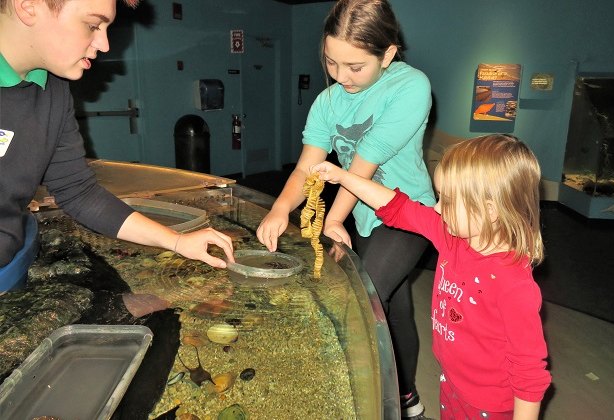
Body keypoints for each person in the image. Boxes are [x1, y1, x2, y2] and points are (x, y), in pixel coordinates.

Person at [256, 0, 435, 417]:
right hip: (366, 217)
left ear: (387, 54)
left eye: (356, 67)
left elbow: (362, 167)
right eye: (332, 63)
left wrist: (333, 218)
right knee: (394, 305)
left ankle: (374, 403)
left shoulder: (411, 87)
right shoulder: (328, 102)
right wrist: (280, 209)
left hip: (407, 211)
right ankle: (409, 397)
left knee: (362, 298)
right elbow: (306, 167)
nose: (341, 77)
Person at [311, 134, 552, 419]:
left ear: (490, 210)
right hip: (451, 385)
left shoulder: (513, 285)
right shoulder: (451, 238)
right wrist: (343, 176)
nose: (437, 208)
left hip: (489, 406)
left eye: (447, 201)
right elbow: (398, 207)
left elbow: (528, 374)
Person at [0, 0, 234, 292]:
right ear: (29, 6)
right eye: (92, 25)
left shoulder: (54, 92)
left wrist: (177, 241)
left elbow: (79, 192)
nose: (105, 44)